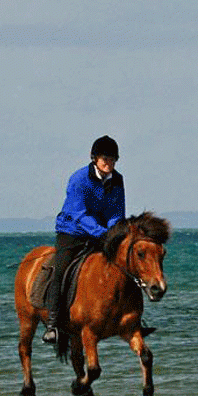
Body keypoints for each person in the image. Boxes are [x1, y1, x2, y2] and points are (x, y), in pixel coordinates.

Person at [43, 135, 126, 343]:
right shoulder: (79, 179)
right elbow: (79, 214)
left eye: (112, 159)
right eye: (105, 159)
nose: (109, 163)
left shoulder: (117, 180)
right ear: (95, 159)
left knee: (123, 265)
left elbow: (116, 211)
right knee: (61, 271)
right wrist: (102, 234)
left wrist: (113, 232)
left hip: (102, 231)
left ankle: (129, 317)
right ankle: (52, 324)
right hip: (72, 231)